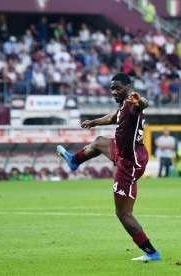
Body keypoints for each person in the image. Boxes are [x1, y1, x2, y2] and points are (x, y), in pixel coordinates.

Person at [56, 73, 160, 262]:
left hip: (129, 163)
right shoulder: (123, 106)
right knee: (99, 142)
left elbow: (143, 104)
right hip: (125, 152)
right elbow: (114, 117)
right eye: (111, 88)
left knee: (123, 213)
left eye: (117, 88)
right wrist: (94, 122)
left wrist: (140, 100)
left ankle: (151, 252)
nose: (113, 92)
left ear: (128, 87)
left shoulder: (131, 102)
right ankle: (75, 161)